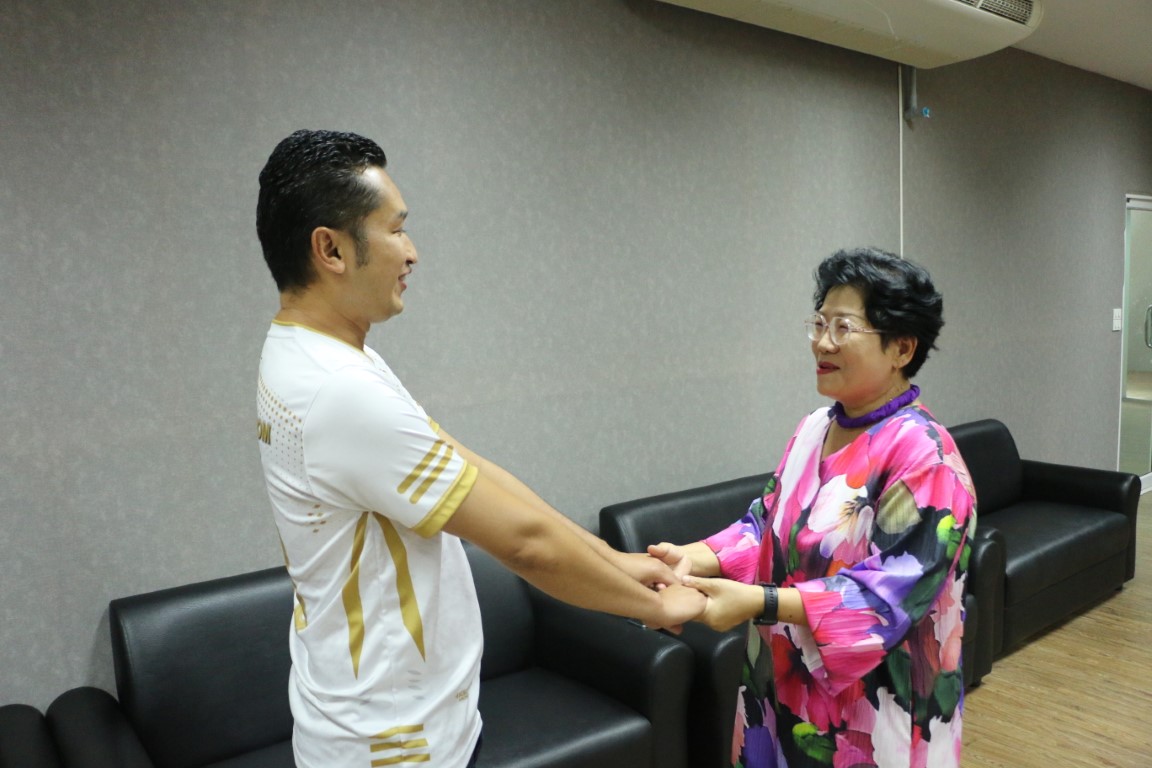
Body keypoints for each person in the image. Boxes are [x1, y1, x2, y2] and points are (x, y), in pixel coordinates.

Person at [253, 129, 705, 768]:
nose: (412, 252)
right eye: (396, 229)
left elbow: (470, 471)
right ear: (330, 249)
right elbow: (524, 544)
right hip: (394, 748)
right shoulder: (338, 391)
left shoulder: (319, 356)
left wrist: (613, 559)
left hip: (400, 721)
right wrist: (653, 606)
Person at [650, 247, 976, 768]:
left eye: (844, 328)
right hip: (780, 691)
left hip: (872, 715)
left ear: (901, 348)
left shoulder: (925, 457)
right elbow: (766, 525)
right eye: (819, 323)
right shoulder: (813, 429)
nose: (822, 342)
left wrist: (758, 602)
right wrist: (686, 558)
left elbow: (886, 597)